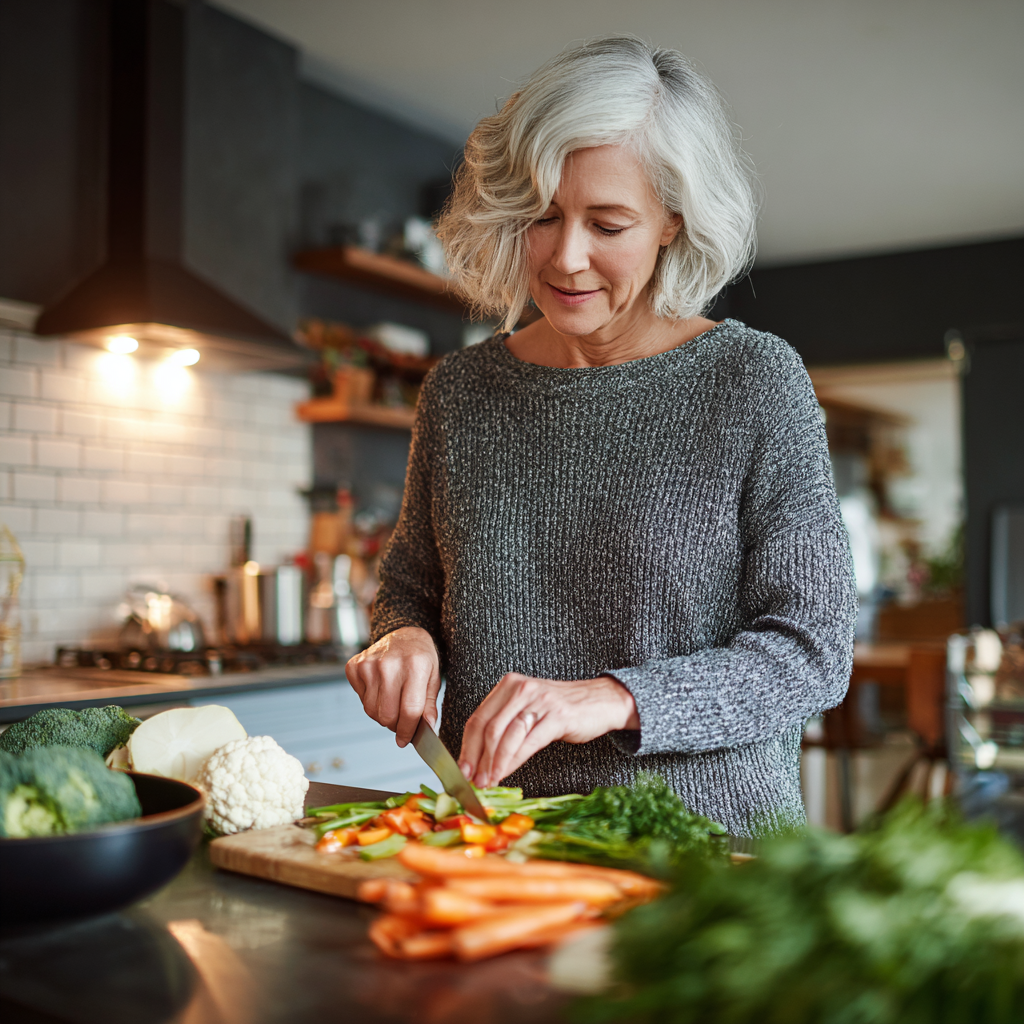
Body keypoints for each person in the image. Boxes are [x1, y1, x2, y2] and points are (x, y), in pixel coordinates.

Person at [346, 37, 857, 836]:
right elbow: (411, 585)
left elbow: (811, 652)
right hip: (503, 843)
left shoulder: (754, 381)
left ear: (671, 224)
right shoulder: (460, 393)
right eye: (542, 216)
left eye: (607, 223)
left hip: (708, 856)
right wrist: (400, 639)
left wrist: (612, 697)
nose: (566, 255)